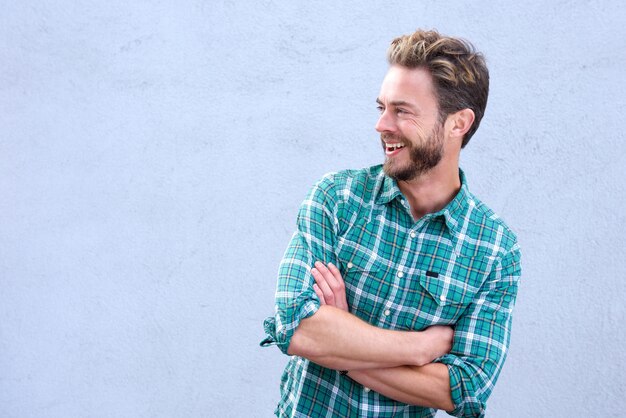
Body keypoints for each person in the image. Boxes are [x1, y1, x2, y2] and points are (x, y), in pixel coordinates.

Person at [260, 29, 522, 417]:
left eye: (402, 110)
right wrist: (416, 350)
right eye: (381, 107)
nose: (382, 125)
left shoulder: (495, 250)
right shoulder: (337, 198)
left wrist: (343, 345)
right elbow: (297, 326)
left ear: (458, 123)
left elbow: (462, 389)